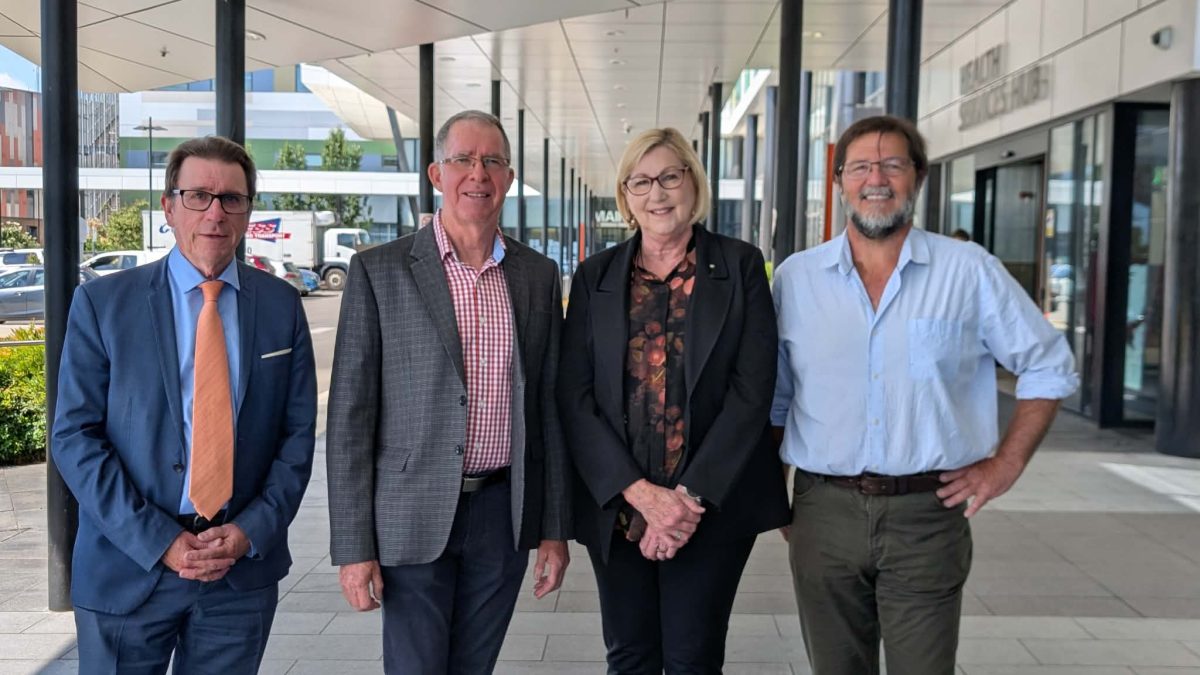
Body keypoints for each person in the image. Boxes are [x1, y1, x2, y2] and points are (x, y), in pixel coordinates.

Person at [771, 115, 1079, 675]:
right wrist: (775, 493)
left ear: (918, 177)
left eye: (893, 165)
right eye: (861, 167)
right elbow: (777, 396)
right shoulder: (796, 279)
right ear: (839, 181)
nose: (876, 179)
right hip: (823, 512)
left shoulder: (968, 271)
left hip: (927, 515)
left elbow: (1048, 365)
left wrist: (1005, 465)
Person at [52, 135, 317, 673]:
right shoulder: (103, 303)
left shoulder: (281, 305)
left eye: (231, 199)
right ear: (169, 208)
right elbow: (75, 437)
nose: (215, 213)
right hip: (130, 566)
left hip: (237, 572)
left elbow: (297, 435)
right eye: (198, 196)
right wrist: (159, 540)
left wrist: (251, 531)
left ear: (247, 211)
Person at [325, 110, 572, 674]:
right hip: (410, 512)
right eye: (463, 159)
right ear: (437, 173)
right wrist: (354, 548)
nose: (478, 173)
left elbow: (548, 409)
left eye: (492, 161)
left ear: (509, 179)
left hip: (503, 514)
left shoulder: (537, 276)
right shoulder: (379, 270)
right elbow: (349, 419)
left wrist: (555, 530)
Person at [559, 127, 790, 674]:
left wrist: (683, 503)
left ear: (693, 181)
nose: (657, 193)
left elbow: (752, 392)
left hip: (709, 505)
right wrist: (640, 495)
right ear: (626, 195)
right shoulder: (595, 277)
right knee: (629, 656)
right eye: (640, 182)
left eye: (669, 176)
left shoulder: (740, 266)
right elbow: (574, 395)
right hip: (619, 504)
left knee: (694, 658)